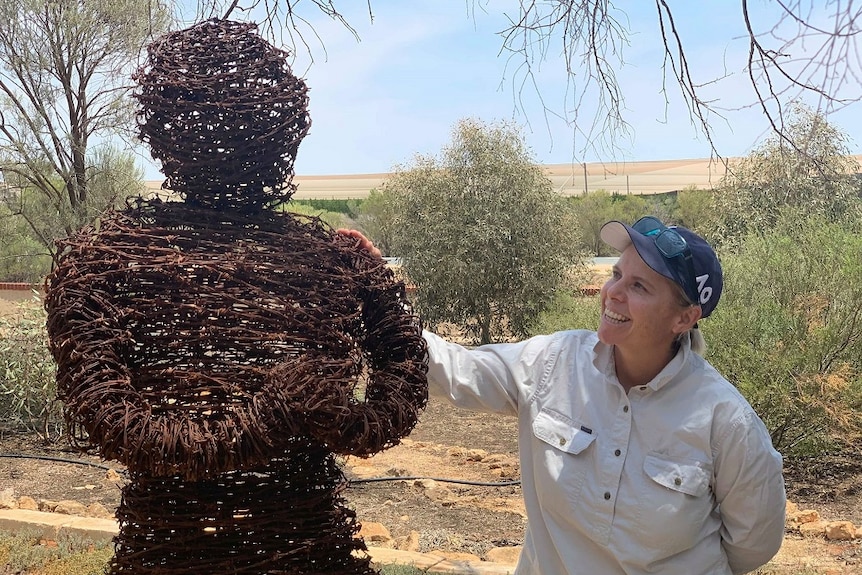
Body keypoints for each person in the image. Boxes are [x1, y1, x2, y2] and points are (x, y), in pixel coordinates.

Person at [338, 216, 786, 575]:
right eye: (617, 274)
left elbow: (753, 545)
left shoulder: (726, 422)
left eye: (639, 286)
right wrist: (379, 296)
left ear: (684, 318)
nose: (612, 292)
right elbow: (455, 370)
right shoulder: (554, 363)